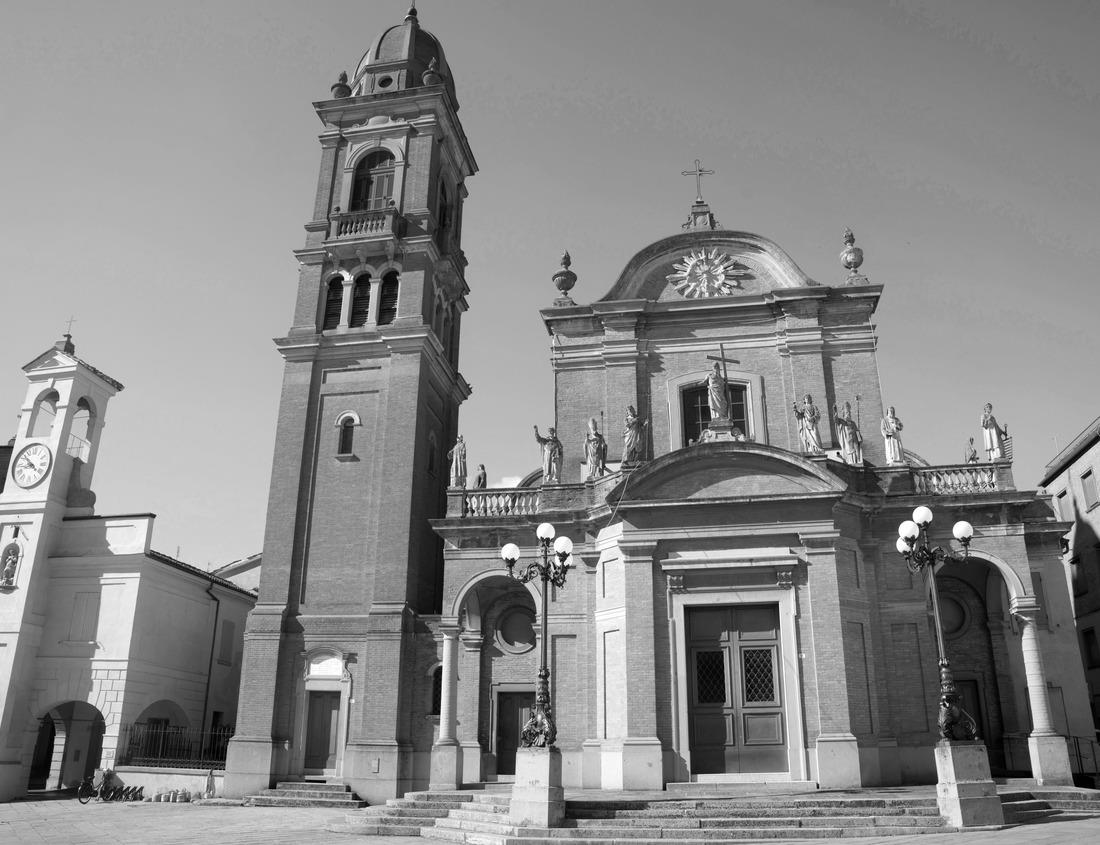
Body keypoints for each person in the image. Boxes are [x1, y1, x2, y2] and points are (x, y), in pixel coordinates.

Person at [833, 401, 863, 466]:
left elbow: (857, 432)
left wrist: (860, 438)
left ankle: (857, 461)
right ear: (844, 413)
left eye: (849, 412)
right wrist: (835, 411)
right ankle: (850, 462)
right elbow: (836, 420)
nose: (848, 414)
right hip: (848, 441)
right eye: (847, 412)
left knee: (856, 453)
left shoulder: (853, 423)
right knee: (849, 451)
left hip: (854, 441)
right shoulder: (842, 421)